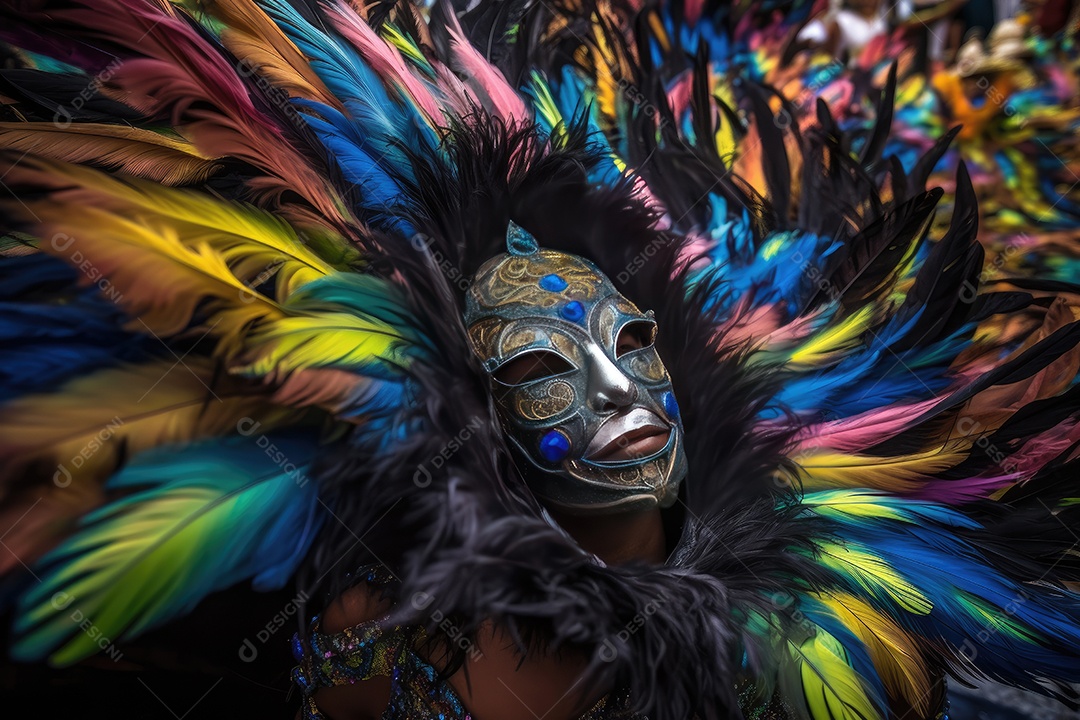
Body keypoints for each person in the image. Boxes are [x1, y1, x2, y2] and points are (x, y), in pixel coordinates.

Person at [4, 2, 1080, 720]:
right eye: (542, 373)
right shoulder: (378, 631)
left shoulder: (819, 639)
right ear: (482, 420)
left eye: (631, 347)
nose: (618, 395)